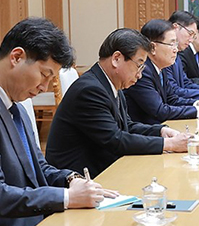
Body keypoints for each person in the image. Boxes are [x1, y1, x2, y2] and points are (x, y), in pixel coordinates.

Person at [0, 17, 116, 226]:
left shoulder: (14, 106)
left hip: (35, 223)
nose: (44, 87)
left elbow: (36, 167)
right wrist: (67, 198)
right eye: (44, 74)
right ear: (17, 57)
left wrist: (71, 180)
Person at [45, 28, 191, 179]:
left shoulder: (110, 83)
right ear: (116, 58)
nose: (140, 75)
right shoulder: (90, 90)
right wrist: (169, 144)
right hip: (80, 179)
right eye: (139, 66)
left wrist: (160, 131)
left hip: (104, 168)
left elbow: (127, 126)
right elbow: (115, 140)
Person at [124, 19, 199, 124]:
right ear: (153, 47)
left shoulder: (160, 68)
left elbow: (173, 99)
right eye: (171, 44)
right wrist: (198, 111)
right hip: (147, 133)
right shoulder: (143, 72)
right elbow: (160, 111)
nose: (175, 49)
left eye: (176, 44)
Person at [164, 11, 199, 100]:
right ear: (175, 28)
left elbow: (185, 83)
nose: (191, 40)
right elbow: (173, 92)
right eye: (190, 34)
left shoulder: (178, 56)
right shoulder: (167, 56)